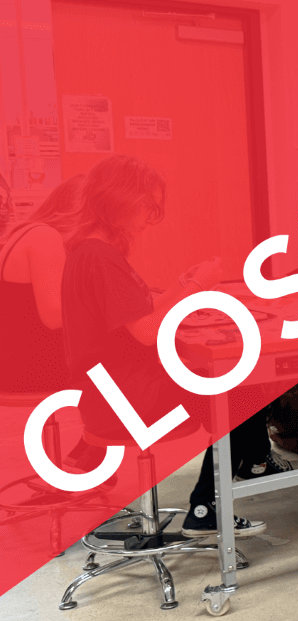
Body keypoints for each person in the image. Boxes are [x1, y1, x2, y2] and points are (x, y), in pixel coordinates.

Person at [59, 155, 273, 536]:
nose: (150, 216)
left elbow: (134, 316)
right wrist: (196, 288)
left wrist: (180, 285)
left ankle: (251, 465)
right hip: (128, 398)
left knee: (237, 388)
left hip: (107, 391)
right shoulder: (100, 257)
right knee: (245, 393)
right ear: (118, 201)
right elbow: (145, 332)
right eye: (147, 205)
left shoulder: (89, 250)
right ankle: (208, 509)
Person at [0, 175, 84, 394]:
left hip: (13, 363)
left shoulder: (24, 233)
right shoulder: (45, 238)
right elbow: (55, 317)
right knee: (127, 357)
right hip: (30, 371)